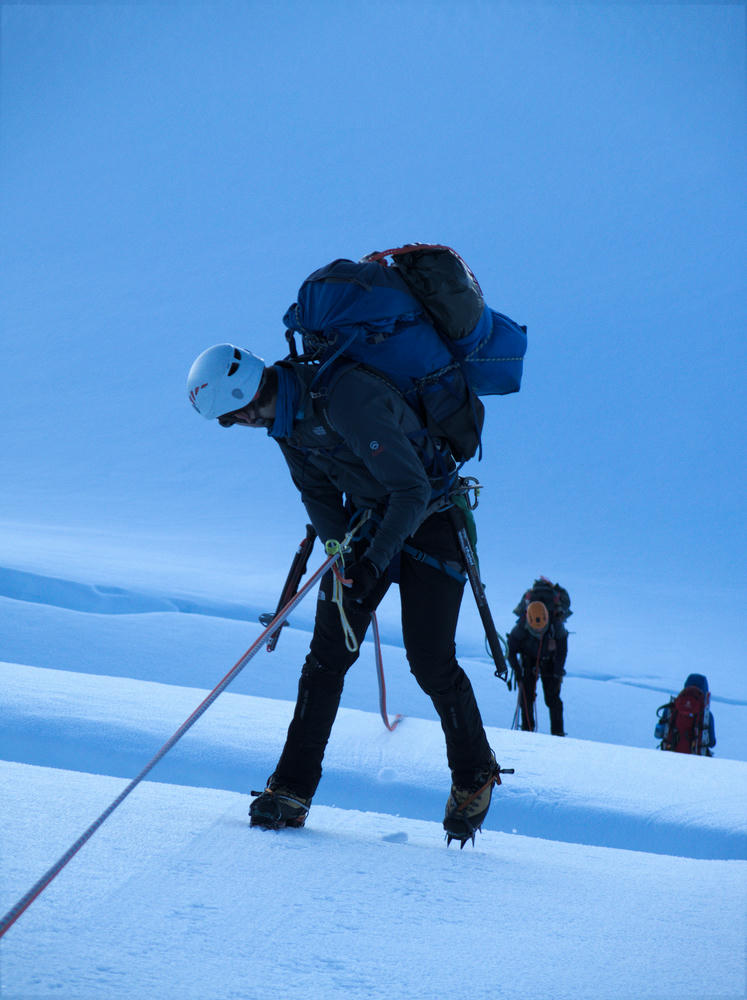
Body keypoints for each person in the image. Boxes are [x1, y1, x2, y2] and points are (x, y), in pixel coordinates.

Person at [186, 343, 499, 845]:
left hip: (433, 521)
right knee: (327, 658)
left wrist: (371, 560)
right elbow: (319, 496)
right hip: (370, 528)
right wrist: (343, 557)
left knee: (430, 661)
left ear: (243, 403)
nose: (235, 426)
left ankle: (475, 772)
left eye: (229, 419)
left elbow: (412, 491)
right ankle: (290, 789)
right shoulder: (284, 422)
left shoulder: (344, 397)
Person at [507, 590, 569, 736]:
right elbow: (511, 651)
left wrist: (558, 670)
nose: (539, 630)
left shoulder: (555, 625)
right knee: (527, 698)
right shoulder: (521, 627)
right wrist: (518, 671)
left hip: (550, 662)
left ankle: (557, 734)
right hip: (529, 662)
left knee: (552, 698)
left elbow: (562, 648)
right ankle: (528, 732)